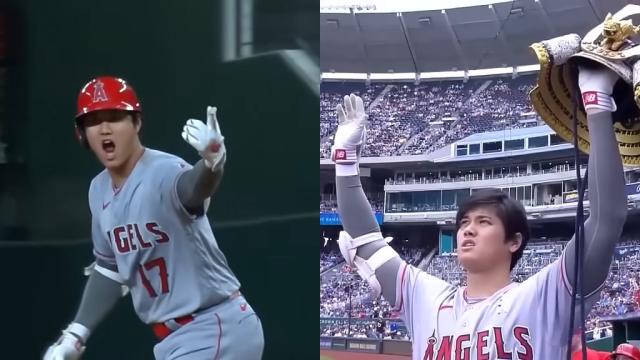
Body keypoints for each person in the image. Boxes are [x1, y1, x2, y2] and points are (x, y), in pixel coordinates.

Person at [330, 64, 628, 358]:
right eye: (463, 223)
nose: (468, 230)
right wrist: (344, 160)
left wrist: (596, 101)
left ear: (514, 240)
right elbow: (366, 240)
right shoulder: (425, 298)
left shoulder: (544, 297)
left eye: (484, 221)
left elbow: (606, 219)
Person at [43, 76, 264, 360]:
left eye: (115, 117)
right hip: (174, 340)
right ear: (82, 134)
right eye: (94, 121)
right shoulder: (98, 191)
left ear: (136, 123)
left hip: (214, 326)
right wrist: (75, 334)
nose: (105, 128)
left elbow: (194, 188)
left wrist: (213, 162)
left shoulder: (163, 171)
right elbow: (110, 268)